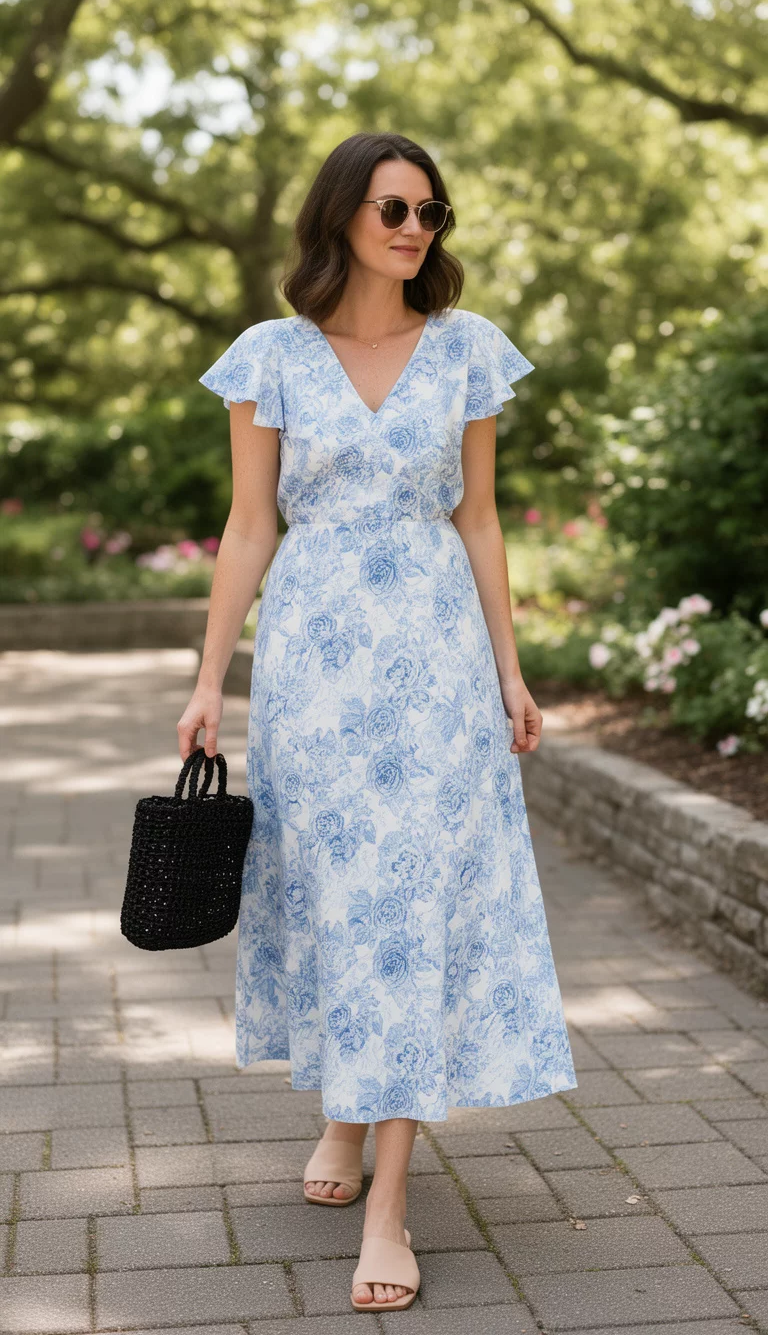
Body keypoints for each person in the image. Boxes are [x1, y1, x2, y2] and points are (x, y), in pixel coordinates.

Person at [181, 130, 578, 1314]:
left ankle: (393, 1202)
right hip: (313, 668)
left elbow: (483, 523)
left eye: (432, 212)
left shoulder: (466, 351)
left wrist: (510, 671)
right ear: (343, 214)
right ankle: (343, 1122)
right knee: (337, 896)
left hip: (438, 665)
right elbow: (249, 528)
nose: (416, 227)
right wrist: (208, 681)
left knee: (408, 905)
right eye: (394, 206)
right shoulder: (271, 357)